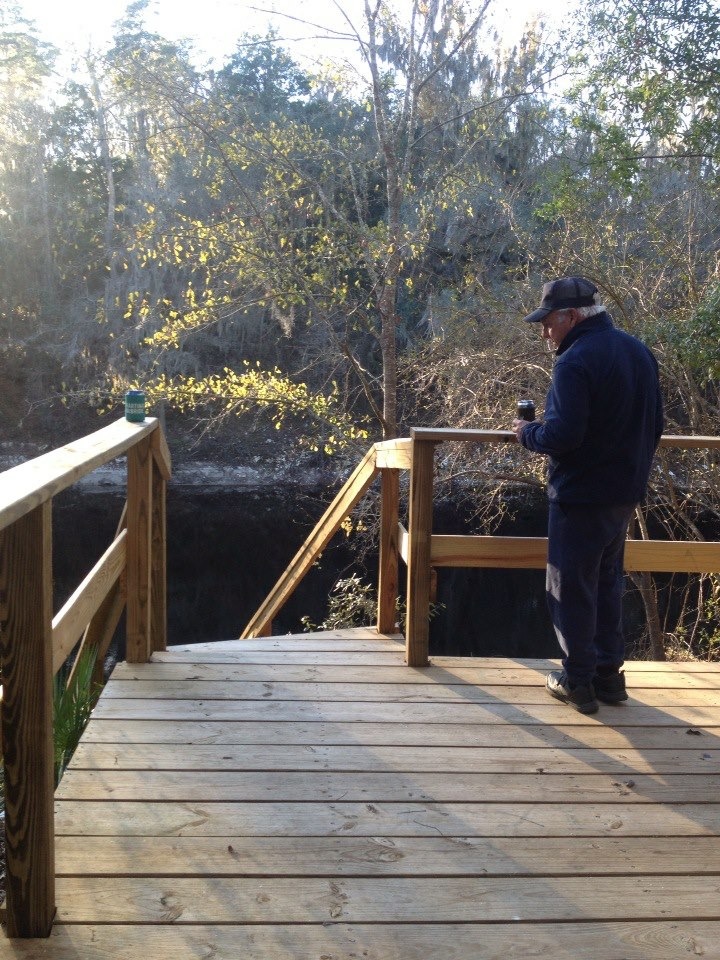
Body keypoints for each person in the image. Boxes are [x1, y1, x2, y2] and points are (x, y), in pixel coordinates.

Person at [512, 276, 664, 714]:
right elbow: (656, 425)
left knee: (570, 588)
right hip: (623, 493)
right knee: (606, 585)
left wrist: (527, 432)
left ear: (572, 317)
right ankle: (609, 678)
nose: (545, 332)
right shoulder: (638, 351)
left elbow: (563, 435)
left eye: (548, 322)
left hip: (580, 497)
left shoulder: (575, 361)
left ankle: (578, 681)